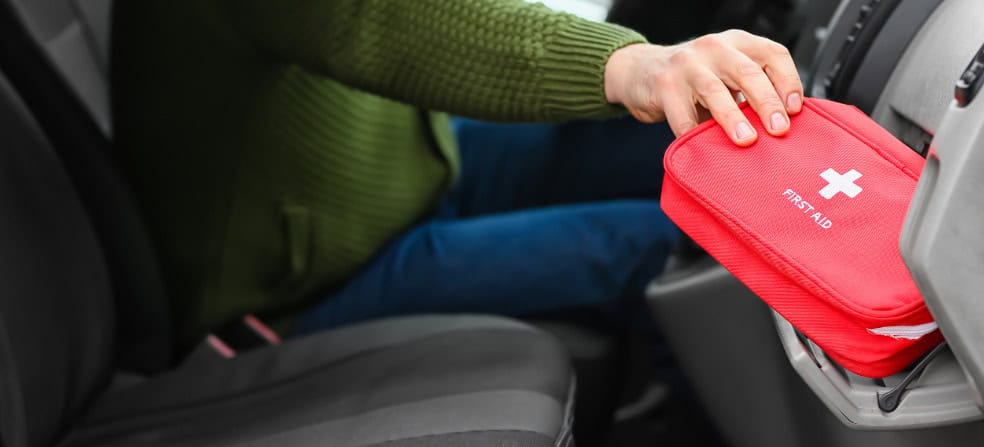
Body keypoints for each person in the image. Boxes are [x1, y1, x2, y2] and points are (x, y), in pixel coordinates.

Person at [112, 0, 803, 348]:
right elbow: (391, 26)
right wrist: (630, 65)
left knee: (679, 150)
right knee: (671, 246)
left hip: (414, 168)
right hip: (294, 291)